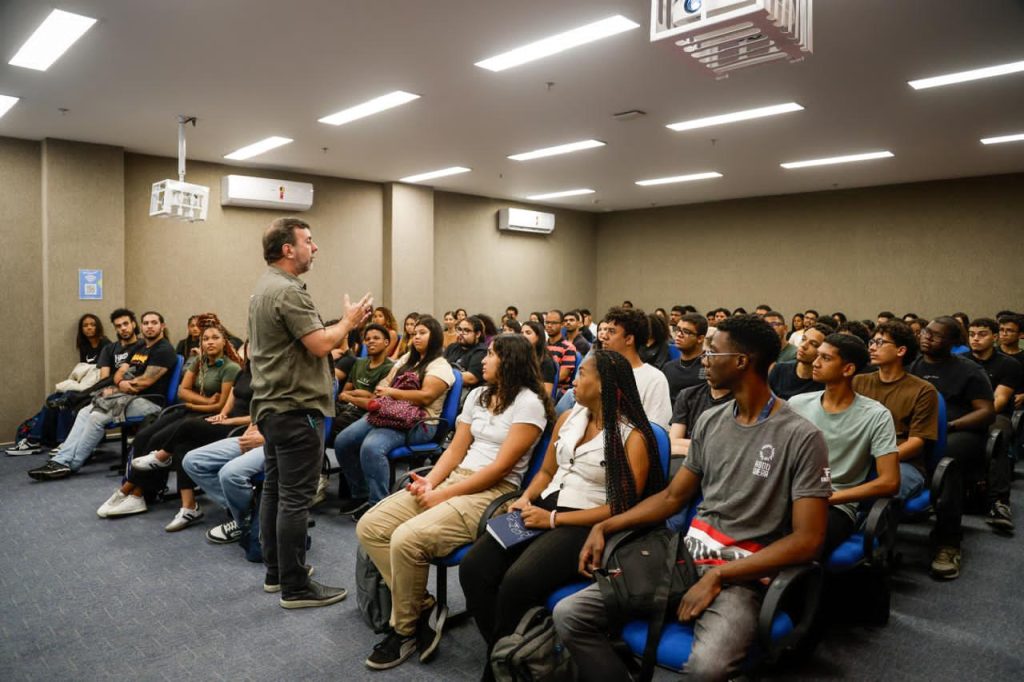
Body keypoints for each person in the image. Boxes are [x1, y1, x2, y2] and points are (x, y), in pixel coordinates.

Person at [553, 315, 831, 681]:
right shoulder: (711, 421)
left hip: (743, 575)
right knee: (569, 614)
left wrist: (719, 577)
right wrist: (606, 524)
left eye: (713, 352)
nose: (704, 359)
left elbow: (808, 540)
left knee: (707, 668)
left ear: (741, 361)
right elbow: (672, 498)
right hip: (683, 559)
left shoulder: (801, 437)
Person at [460, 350, 666, 679]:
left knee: (519, 581)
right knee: (474, 566)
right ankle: (512, 654)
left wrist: (552, 520)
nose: (574, 379)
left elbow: (623, 505)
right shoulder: (568, 417)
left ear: (603, 385)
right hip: (546, 504)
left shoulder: (632, 436)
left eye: (582, 373)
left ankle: (499, 670)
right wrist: (525, 499)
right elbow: (544, 473)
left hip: (587, 520)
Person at [356, 334, 552, 669]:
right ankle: (421, 605)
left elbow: (501, 467)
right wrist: (430, 482)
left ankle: (406, 631)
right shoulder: (477, 394)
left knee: (407, 539)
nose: (484, 361)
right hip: (454, 478)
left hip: (493, 491)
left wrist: (443, 494)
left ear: (511, 361)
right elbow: (456, 450)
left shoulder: (529, 402)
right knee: (371, 526)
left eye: (491, 355)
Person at [247, 216, 372, 608]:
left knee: (275, 489)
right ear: (288, 249)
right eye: (309, 241)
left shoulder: (263, 287)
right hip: (297, 407)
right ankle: (295, 586)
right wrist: (348, 324)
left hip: (273, 405)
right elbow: (320, 345)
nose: (314, 248)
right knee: (295, 498)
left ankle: (277, 572)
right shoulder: (287, 291)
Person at [96, 320, 243, 526]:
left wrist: (194, 403)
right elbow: (181, 392)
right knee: (145, 436)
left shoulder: (231, 368)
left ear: (225, 341)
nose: (209, 342)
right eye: (205, 339)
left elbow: (218, 406)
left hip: (203, 416)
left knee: (160, 440)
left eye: (215, 338)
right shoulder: (198, 362)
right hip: (190, 410)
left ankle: (132, 492)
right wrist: (202, 400)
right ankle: (135, 491)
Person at [28, 311, 177, 480]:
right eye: (146, 323)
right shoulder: (141, 348)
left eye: (154, 322)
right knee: (85, 411)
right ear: (141, 326)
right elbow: (119, 373)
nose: (149, 326)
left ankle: (71, 464)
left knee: (96, 417)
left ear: (162, 326)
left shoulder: (164, 349)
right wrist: (121, 384)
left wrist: (118, 387)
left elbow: (143, 383)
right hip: (129, 397)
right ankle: (60, 460)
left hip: (150, 401)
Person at [788, 334, 899, 555]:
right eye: (817, 356)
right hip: (787, 496)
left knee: (796, 550)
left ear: (848, 369)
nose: (816, 363)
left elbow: (890, 482)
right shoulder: (797, 404)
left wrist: (828, 497)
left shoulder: (876, 415)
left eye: (826, 358)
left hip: (834, 505)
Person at [334, 315, 454, 516]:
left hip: (419, 422)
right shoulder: (408, 359)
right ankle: (361, 494)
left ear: (435, 337)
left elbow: (425, 397)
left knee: (371, 447)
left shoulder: (441, 366)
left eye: (422, 333)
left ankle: (378, 505)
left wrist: (391, 393)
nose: (416, 337)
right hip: (389, 413)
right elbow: (385, 383)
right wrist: (385, 390)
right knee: (343, 441)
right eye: (414, 333)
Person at [910, 317, 995, 579]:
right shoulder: (912, 366)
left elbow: (986, 412)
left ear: (952, 342)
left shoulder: (969, 370)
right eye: (926, 332)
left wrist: (951, 426)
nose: (927, 337)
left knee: (947, 460)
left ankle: (948, 542)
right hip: (919, 430)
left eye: (936, 336)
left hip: (960, 431)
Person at [853, 321, 939, 503]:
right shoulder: (858, 382)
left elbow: (916, 442)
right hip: (858, 456)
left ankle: (867, 527)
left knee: (877, 492)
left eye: (880, 343)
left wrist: (878, 458)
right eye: (871, 342)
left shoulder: (923, 390)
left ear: (900, 351)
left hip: (902, 462)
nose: (872, 348)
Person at [6, 313, 111, 456]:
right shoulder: (84, 345)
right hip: (83, 384)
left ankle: (65, 442)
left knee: (65, 400)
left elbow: (103, 373)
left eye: (92, 325)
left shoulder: (105, 344)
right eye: (85, 325)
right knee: (53, 399)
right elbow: (82, 370)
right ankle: (33, 441)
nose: (89, 328)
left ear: (98, 326)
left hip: (95, 387)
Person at [966, 317, 1020, 533]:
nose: (975, 339)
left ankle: (1000, 502)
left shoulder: (1008, 364)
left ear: (995, 337)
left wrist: (969, 419)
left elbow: (998, 401)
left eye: (982, 334)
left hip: (995, 415)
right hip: (964, 414)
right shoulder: (961, 361)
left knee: (997, 435)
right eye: (971, 335)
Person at [769, 323, 829, 399]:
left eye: (813, 344)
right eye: (803, 339)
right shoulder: (779, 369)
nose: (804, 345)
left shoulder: (823, 384)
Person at [661, 312, 707, 403]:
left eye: (686, 332)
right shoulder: (668, 368)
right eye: (678, 329)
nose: (679, 335)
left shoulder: (709, 368)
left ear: (700, 338)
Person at [444, 315, 487, 391]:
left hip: (467, 395)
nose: (461, 333)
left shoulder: (482, 351)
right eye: (459, 329)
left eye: (466, 331)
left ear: (477, 334)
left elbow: (471, 378)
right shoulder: (452, 347)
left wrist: (440, 375)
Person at [544, 309, 578, 395]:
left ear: (562, 324)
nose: (549, 325)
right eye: (547, 322)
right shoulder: (542, 346)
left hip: (558, 390)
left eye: (553, 323)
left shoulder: (568, 347)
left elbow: (561, 376)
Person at [522, 320, 556, 395]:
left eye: (528, 333)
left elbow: (546, 393)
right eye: (521, 333)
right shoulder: (520, 357)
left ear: (538, 337)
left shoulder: (546, 362)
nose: (523, 336)